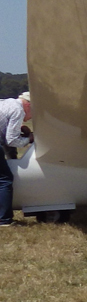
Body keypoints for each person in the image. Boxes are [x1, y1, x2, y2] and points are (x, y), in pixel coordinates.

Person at [0, 92, 33, 227]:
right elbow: (12, 140)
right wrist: (29, 139)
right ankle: (4, 220)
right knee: (4, 179)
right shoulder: (18, 110)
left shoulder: (7, 102)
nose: (30, 117)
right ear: (28, 105)